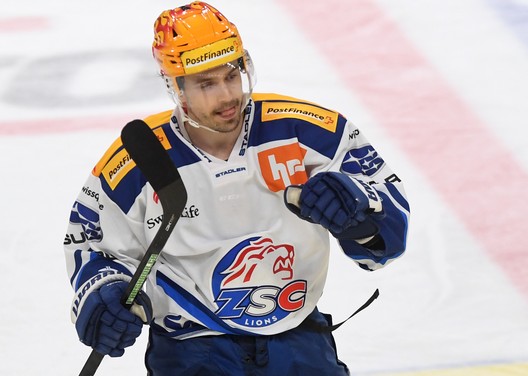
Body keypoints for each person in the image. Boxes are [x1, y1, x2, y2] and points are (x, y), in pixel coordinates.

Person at [64, 2, 410, 375]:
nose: (227, 96)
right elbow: (89, 241)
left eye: (232, 75)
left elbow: (388, 235)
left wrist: (359, 213)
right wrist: (105, 293)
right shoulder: (138, 159)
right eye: (206, 83)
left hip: (298, 341)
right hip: (191, 352)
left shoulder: (307, 130)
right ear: (175, 87)